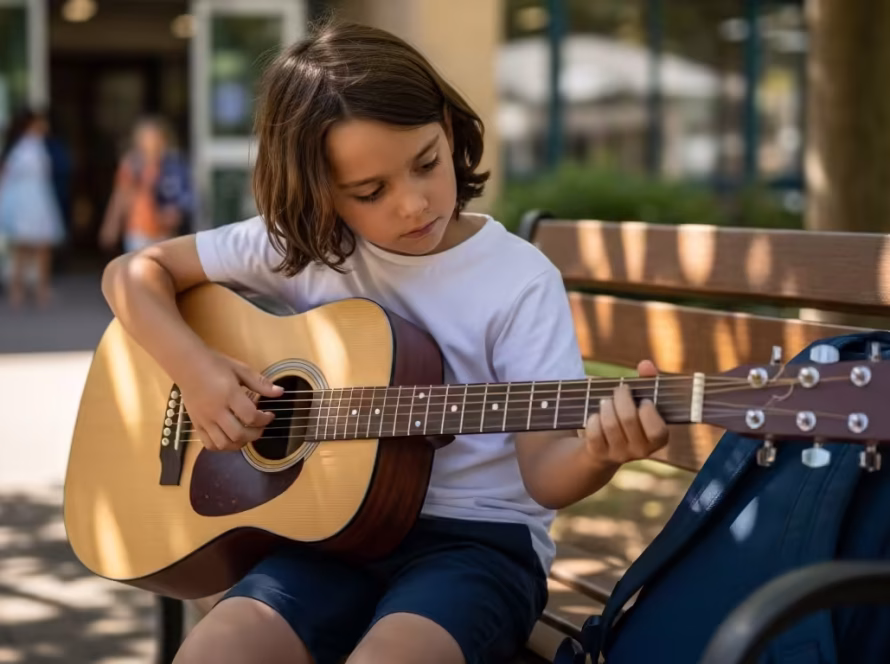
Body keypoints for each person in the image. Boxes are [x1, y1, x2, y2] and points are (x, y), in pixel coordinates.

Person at [100, 21, 669, 664]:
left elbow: (545, 474)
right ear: (321, 197)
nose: (413, 203)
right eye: (371, 192)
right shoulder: (307, 249)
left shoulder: (517, 280)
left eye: (426, 162)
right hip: (328, 538)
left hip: (476, 550)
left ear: (449, 129)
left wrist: (602, 452)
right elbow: (132, 273)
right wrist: (198, 373)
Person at [0, 108, 66, 307]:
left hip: (34, 199)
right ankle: (24, 288)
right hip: (27, 201)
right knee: (27, 246)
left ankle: (32, 288)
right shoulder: (24, 147)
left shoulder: (35, 145)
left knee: (35, 246)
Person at [99, 116, 192, 254]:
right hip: (139, 229)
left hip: (165, 232)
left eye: (157, 140)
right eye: (149, 140)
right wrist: (111, 225)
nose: (153, 145)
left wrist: (176, 212)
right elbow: (120, 195)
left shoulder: (173, 166)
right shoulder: (133, 164)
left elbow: (183, 196)